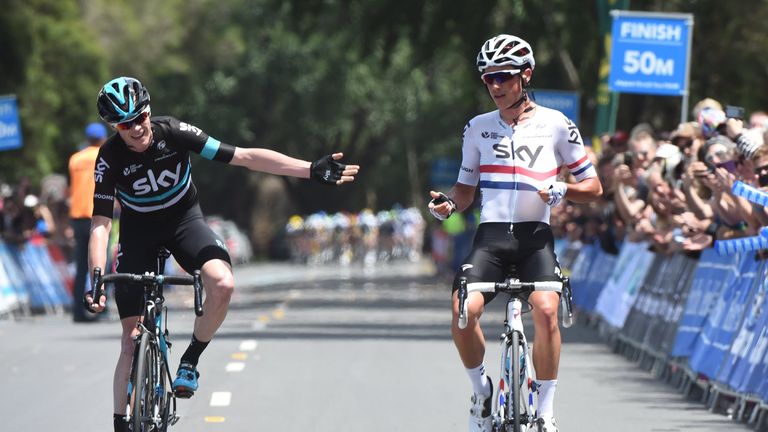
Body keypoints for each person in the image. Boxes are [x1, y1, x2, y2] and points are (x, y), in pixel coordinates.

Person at [82, 77, 359, 432]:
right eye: (125, 124)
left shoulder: (175, 132)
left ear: (149, 110)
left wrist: (308, 170)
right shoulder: (109, 158)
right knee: (129, 340)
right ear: (113, 127)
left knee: (223, 283)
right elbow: (101, 223)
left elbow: (242, 157)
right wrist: (95, 277)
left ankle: (190, 361)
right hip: (139, 234)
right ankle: (121, 422)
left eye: (141, 117)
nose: (137, 128)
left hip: (184, 221)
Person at [427, 34, 602, 432]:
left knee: (545, 309)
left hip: (535, 238)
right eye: (487, 79)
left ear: (525, 76)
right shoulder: (477, 128)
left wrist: (565, 189)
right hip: (491, 238)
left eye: (503, 77)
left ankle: (545, 410)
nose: (495, 86)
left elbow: (594, 188)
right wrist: (449, 204)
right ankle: (481, 391)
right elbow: (466, 190)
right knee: (462, 311)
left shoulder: (557, 124)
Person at [68, 122, 108, 322]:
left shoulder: (75, 159)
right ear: (102, 138)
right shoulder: (104, 154)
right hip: (96, 214)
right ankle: (102, 306)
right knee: (100, 262)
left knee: (81, 267)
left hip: (76, 216)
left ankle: (77, 311)